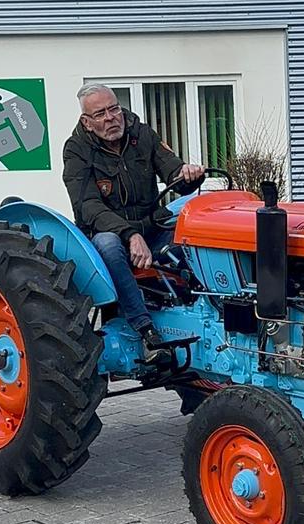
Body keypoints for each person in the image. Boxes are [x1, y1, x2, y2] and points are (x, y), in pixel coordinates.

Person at [63, 84, 203, 357]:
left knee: (194, 234)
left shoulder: (142, 134)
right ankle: (144, 330)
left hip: (151, 228)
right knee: (108, 245)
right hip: (108, 234)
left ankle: (201, 313)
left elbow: (172, 171)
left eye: (114, 109)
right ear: (87, 122)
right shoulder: (77, 150)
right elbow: (87, 206)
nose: (110, 118)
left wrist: (187, 174)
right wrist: (129, 234)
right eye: (100, 114)